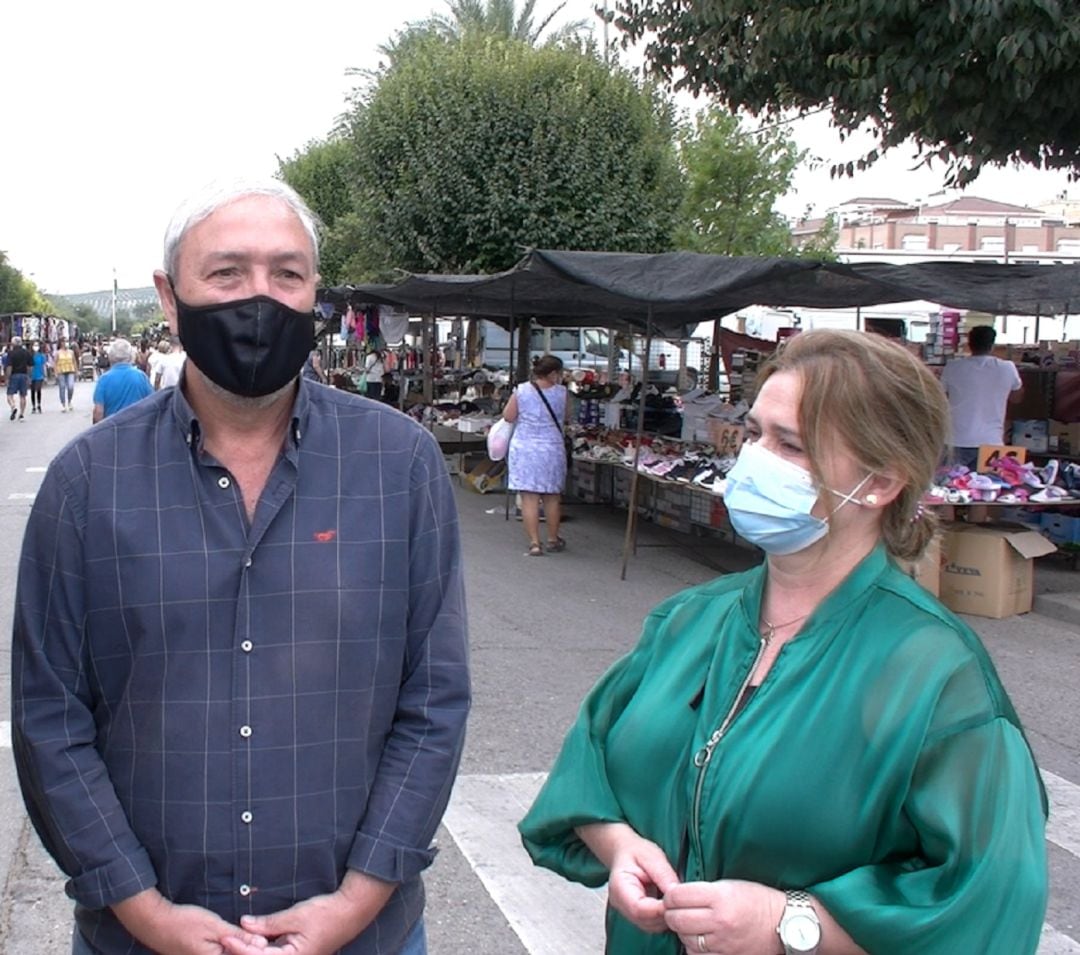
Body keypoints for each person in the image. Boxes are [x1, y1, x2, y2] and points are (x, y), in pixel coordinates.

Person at [13, 178, 470, 955]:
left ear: (314, 292)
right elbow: (51, 718)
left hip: (365, 936)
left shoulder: (401, 465)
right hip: (139, 938)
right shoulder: (87, 484)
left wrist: (357, 903)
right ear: (169, 295)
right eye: (226, 273)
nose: (259, 298)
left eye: (286, 274)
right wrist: (144, 909)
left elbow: (433, 702)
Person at [519, 329, 1047, 955]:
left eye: (789, 444)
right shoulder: (689, 620)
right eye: (753, 434)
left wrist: (789, 923)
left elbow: (989, 900)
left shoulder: (935, 674)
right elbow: (592, 759)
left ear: (880, 483)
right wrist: (619, 848)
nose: (755, 460)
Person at [502, 354, 568, 556]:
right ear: (553, 373)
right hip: (551, 448)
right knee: (552, 497)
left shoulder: (521, 391)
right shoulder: (562, 393)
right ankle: (553, 539)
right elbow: (566, 417)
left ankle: (534, 543)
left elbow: (508, 416)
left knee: (529, 498)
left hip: (525, 448)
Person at [940, 324, 1023, 471]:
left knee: (949, 487)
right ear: (992, 345)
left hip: (956, 440)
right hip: (992, 442)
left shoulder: (952, 367)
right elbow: (1017, 398)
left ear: (969, 344)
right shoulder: (1007, 368)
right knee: (989, 487)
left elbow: (941, 397)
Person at [91, 338, 154, 423]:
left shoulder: (104, 380)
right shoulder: (141, 377)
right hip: (137, 430)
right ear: (131, 356)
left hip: (112, 430)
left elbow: (98, 412)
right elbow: (152, 404)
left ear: (110, 357)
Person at [5, 336, 33, 420]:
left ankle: (13, 406)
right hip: (24, 375)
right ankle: (21, 414)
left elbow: (9, 366)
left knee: (10, 394)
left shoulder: (11, 353)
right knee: (23, 396)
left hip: (14, 375)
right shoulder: (26, 352)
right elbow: (30, 366)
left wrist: (7, 378)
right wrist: (29, 376)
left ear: (13, 343)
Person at [54, 337, 78, 411]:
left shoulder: (71, 352)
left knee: (70, 386)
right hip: (61, 371)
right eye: (64, 342)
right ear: (61, 343)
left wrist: (76, 371)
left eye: (66, 341)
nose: (65, 343)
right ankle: (63, 403)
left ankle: (69, 401)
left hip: (70, 370)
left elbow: (74, 361)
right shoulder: (58, 352)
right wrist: (55, 372)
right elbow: (55, 363)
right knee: (62, 387)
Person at [29, 340, 48, 413]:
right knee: (33, 391)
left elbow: (43, 366)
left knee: (38, 390)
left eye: (37, 345)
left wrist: (45, 375)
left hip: (39, 375)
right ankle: (33, 406)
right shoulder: (30, 355)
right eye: (34, 345)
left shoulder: (42, 356)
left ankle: (39, 404)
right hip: (32, 375)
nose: (36, 347)